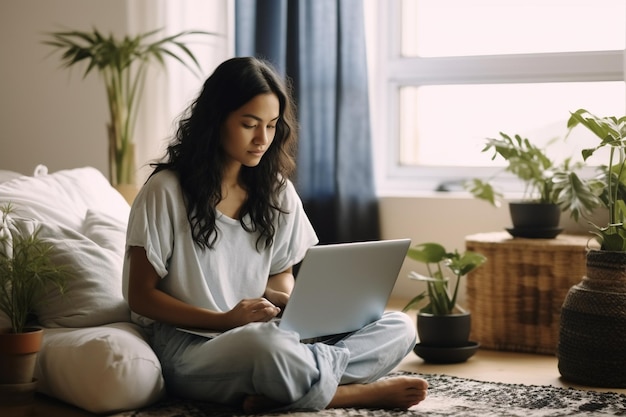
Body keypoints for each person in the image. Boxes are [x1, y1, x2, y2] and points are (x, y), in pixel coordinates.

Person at [122, 56, 428, 413]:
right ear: (216, 120)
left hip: (269, 332)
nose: (262, 139)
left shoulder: (276, 190)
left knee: (399, 326)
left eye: (271, 125)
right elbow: (140, 296)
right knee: (265, 347)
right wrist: (225, 321)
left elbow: (281, 271)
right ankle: (345, 394)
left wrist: (285, 300)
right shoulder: (166, 191)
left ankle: (289, 382)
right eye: (249, 124)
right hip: (192, 346)